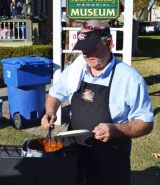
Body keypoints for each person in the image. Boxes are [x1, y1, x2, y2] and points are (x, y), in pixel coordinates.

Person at [41, 19, 154, 185]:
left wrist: (116, 129)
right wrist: (50, 112)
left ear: (109, 44)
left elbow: (146, 122)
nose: (86, 54)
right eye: (82, 49)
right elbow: (55, 94)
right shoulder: (76, 70)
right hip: (75, 152)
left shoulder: (129, 78)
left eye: (92, 47)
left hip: (110, 158)